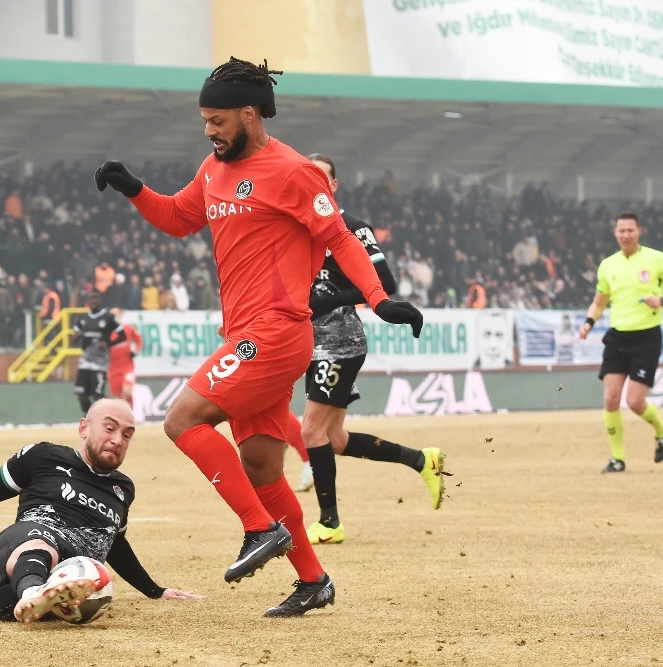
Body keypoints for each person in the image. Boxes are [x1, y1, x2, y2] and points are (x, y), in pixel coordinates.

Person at [95, 56, 423, 617]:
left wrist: (379, 299)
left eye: (218, 121)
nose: (209, 130)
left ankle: (258, 527)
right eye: (205, 120)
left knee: (181, 420)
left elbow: (341, 239)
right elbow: (177, 218)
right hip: (245, 334)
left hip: (276, 333)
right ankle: (313, 580)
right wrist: (133, 188)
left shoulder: (294, 172)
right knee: (263, 467)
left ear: (249, 114)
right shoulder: (212, 169)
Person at [0, 399, 204, 624]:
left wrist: (155, 591)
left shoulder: (123, 488)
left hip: (72, 580)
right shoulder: (43, 457)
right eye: (110, 428)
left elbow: (114, 542)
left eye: (127, 435)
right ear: (84, 428)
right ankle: (33, 592)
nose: (118, 440)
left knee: (34, 604)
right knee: (42, 542)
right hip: (21, 548)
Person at [293, 154, 444, 546]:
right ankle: (421, 460)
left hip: (339, 341)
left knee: (310, 430)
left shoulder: (353, 227)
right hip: (309, 341)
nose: (314, 184)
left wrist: (331, 299)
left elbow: (385, 281)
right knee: (334, 439)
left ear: (334, 185)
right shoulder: (297, 223)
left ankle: (329, 522)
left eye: (322, 177)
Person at [578, 211, 663, 472]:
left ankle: (662, 431)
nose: (625, 235)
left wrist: (661, 300)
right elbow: (599, 302)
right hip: (617, 337)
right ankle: (617, 459)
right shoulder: (607, 265)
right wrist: (588, 323)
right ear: (615, 233)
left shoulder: (656, 259)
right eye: (621, 231)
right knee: (611, 398)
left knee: (635, 402)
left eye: (630, 230)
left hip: (646, 337)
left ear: (639, 231)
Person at [71, 290, 126, 415]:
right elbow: (74, 339)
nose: (93, 301)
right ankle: (89, 416)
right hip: (85, 362)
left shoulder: (108, 317)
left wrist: (108, 344)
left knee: (97, 395)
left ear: (100, 300)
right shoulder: (83, 318)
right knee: (81, 393)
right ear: (87, 301)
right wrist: (76, 337)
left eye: (96, 298)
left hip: (100, 363)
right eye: (91, 298)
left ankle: (109, 412)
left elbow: (122, 336)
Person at [108, 308, 143, 407]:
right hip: (113, 368)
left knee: (127, 391)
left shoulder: (128, 328)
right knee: (118, 397)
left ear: (121, 314)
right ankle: (125, 413)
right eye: (112, 315)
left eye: (116, 314)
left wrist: (136, 351)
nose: (115, 316)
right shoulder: (107, 331)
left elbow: (139, 340)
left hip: (127, 366)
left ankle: (130, 411)